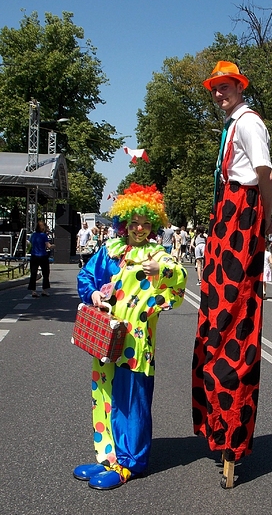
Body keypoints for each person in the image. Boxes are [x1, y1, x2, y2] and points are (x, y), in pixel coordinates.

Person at [192, 60, 272, 488]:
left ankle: (231, 428)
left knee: (234, 323)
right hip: (226, 218)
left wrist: (263, 220)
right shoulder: (231, 125)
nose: (220, 94)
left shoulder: (249, 123)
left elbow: (264, 176)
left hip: (240, 220)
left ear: (239, 87)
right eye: (215, 89)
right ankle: (217, 425)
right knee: (215, 322)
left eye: (226, 87)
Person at [73, 183, 187, 490]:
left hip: (136, 344)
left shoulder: (157, 255)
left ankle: (129, 463)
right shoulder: (110, 250)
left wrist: (159, 271)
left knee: (132, 401)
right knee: (105, 395)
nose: (139, 228)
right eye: (135, 222)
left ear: (153, 225)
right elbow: (85, 277)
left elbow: (178, 284)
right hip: (105, 337)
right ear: (125, 221)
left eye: (146, 223)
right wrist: (94, 293)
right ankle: (108, 456)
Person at [27, 220, 55, 297]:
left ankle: (33, 291)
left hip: (34, 256)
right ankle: (44, 290)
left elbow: (28, 243)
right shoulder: (43, 235)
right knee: (45, 273)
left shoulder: (33, 235)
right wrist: (54, 246)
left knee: (33, 273)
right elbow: (48, 246)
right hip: (43, 255)